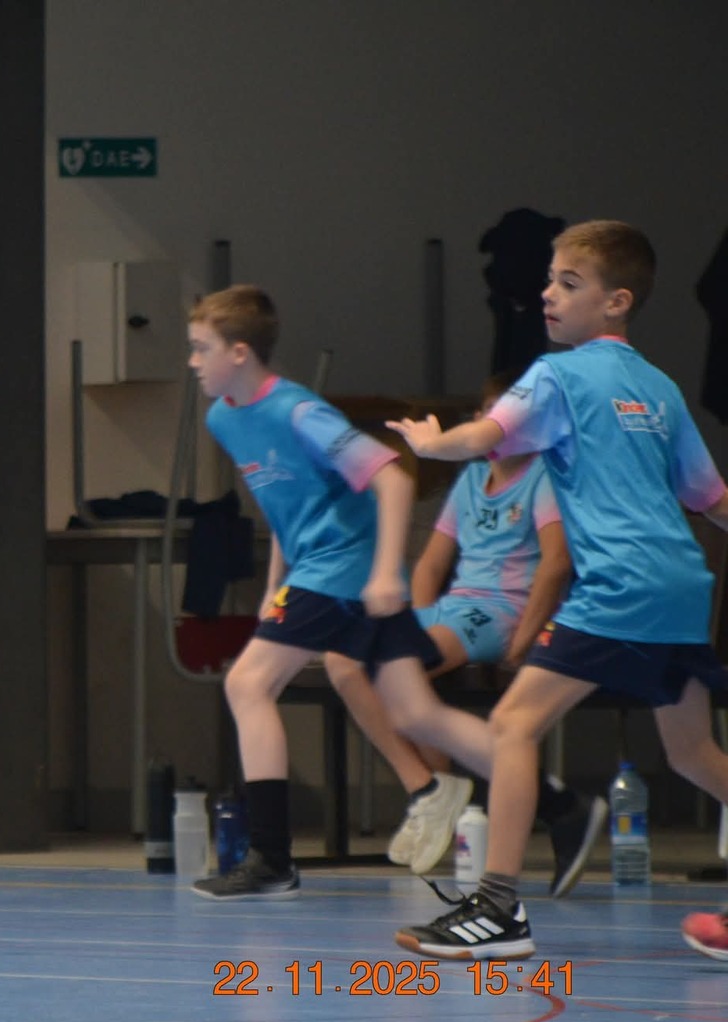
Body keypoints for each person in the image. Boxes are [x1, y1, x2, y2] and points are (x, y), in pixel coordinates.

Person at [386, 220, 728, 960]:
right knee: (695, 754)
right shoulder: (660, 388)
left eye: (568, 283)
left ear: (616, 301)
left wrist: (431, 442)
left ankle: (497, 910)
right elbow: (712, 499)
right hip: (680, 586)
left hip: (620, 584)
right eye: (549, 279)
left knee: (512, 726)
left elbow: (484, 437)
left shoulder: (557, 374)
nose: (547, 294)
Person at [185, 284, 435, 901]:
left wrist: (385, 572)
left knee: (248, 684)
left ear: (239, 353)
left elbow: (394, 479)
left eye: (201, 348)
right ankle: (556, 806)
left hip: (345, 568)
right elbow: (286, 503)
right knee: (417, 711)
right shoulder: (223, 418)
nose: (192, 361)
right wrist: (275, 583)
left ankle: (271, 858)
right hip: (312, 572)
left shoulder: (300, 412)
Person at [321, 372, 580, 878]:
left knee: (397, 670)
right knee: (344, 661)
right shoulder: (470, 478)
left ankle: (436, 795)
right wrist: (414, 623)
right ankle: (427, 789)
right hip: (453, 608)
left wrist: (525, 639)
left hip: (501, 612)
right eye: (488, 414)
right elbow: (430, 566)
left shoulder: (545, 478)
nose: (496, 425)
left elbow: (555, 564)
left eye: (508, 417)